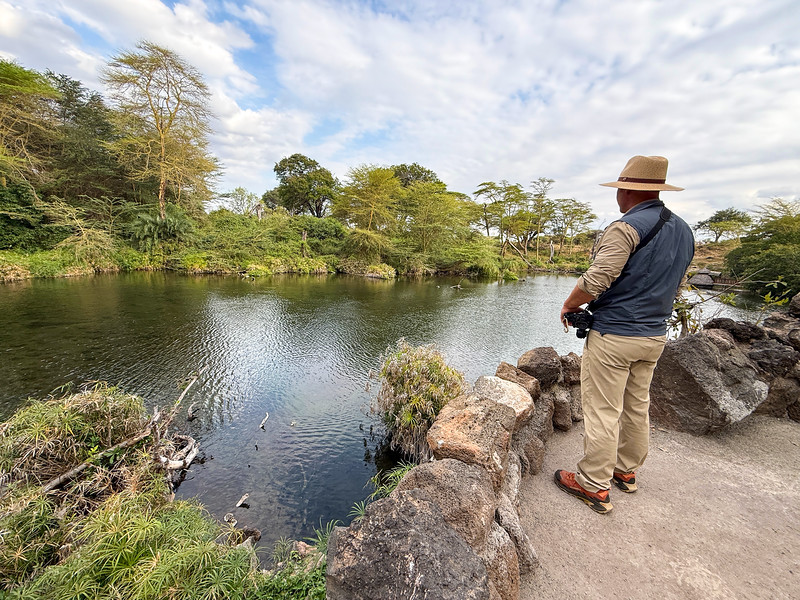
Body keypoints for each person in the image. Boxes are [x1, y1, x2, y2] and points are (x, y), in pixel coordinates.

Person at [555, 155, 695, 514]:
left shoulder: (625, 227)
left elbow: (597, 279)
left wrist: (570, 305)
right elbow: (672, 284)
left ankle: (592, 485)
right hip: (653, 337)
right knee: (636, 405)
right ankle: (626, 471)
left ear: (629, 190)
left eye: (620, 188)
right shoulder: (684, 231)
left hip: (616, 335)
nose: (617, 194)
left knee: (602, 409)